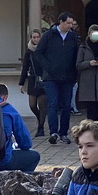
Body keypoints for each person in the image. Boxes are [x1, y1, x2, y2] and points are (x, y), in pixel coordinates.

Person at [34, 13, 80, 145]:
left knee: (66, 105)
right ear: (61, 22)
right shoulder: (49, 35)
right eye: (68, 23)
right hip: (51, 77)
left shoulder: (73, 37)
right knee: (53, 104)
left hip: (67, 77)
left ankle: (63, 133)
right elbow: (38, 53)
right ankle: (53, 132)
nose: (71, 26)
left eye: (72, 23)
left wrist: (74, 72)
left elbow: (76, 55)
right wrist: (47, 67)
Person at [76, 25, 98, 121]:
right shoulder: (83, 47)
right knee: (90, 111)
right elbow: (78, 65)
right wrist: (89, 63)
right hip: (88, 83)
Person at [19, 30, 47, 137]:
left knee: (42, 104)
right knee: (32, 105)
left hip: (44, 80)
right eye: (33, 37)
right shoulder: (29, 51)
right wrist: (21, 83)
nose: (36, 39)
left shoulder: (44, 49)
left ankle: (41, 128)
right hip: (32, 80)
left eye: (37, 37)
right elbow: (25, 67)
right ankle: (40, 118)